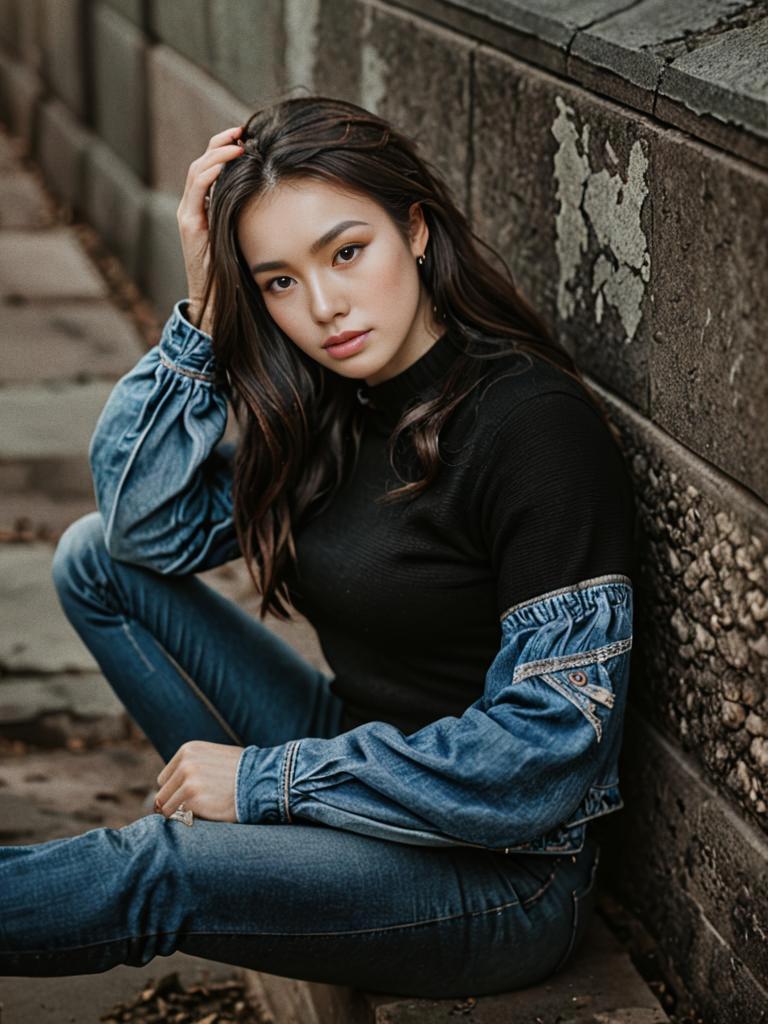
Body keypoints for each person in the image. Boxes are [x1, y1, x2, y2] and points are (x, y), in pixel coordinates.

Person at [0, 95, 636, 998]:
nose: (326, 306)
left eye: (346, 252)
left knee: (163, 867)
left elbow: (540, 759)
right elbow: (144, 530)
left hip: (502, 873)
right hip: (362, 755)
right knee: (93, 557)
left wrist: (268, 781)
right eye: (279, 282)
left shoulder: (533, 432)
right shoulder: (330, 404)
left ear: (414, 229)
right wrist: (205, 314)